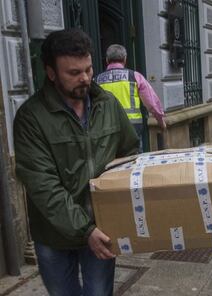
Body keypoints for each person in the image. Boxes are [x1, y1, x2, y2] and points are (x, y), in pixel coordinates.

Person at [13, 29, 139, 296]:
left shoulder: (108, 104)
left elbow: (130, 152)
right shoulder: (31, 118)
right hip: (53, 235)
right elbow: (43, 186)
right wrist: (85, 229)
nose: (84, 78)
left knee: (98, 292)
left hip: (103, 227)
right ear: (51, 73)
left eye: (89, 69)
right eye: (73, 73)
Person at [95, 44, 166, 152]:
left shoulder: (97, 80)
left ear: (107, 60)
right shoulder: (135, 76)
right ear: (125, 59)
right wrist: (160, 120)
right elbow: (152, 103)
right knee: (135, 161)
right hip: (132, 129)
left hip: (107, 130)